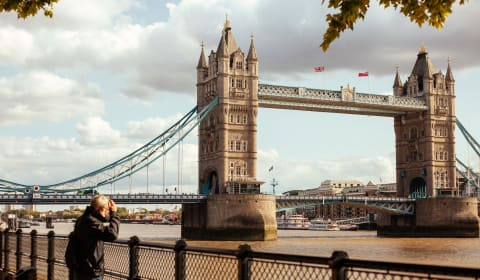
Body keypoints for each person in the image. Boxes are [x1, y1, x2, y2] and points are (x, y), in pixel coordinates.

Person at [70, 194, 120, 280]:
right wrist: (114, 214)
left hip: (81, 268)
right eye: (108, 210)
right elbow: (112, 235)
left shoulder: (83, 219)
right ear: (101, 209)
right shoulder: (91, 221)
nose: (108, 213)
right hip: (90, 271)